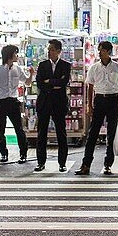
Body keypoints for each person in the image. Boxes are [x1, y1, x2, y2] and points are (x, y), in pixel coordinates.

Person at [76, 41, 118, 176]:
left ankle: (108, 165)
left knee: (111, 134)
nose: (99, 52)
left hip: (113, 100)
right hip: (99, 100)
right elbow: (90, 87)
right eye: (99, 49)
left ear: (108, 51)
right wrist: (89, 105)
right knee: (93, 133)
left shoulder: (117, 67)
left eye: (102, 50)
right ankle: (86, 164)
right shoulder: (94, 68)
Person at [0, 44, 32, 164]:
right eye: (15, 53)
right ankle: (3, 153)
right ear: (9, 55)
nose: (17, 56)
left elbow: (27, 83)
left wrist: (31, 74)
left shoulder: (18, 69)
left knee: (19, 128)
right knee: (0, 129)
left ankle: (23, 153)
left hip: (13, 102)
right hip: (0, 102)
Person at [35, 39, 71, 173]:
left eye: (51, 49)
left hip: (59, 102)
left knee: (61, 133)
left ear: (58, 51)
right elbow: (39, 84)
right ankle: (40, 162)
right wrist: (54, 83)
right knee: (41, 133)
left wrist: (49, 81)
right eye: (48, 49)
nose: (49, 52)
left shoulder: (65, 65)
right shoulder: (42, 65)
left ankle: (62, 163)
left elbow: (64, 82)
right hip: (44, 102)